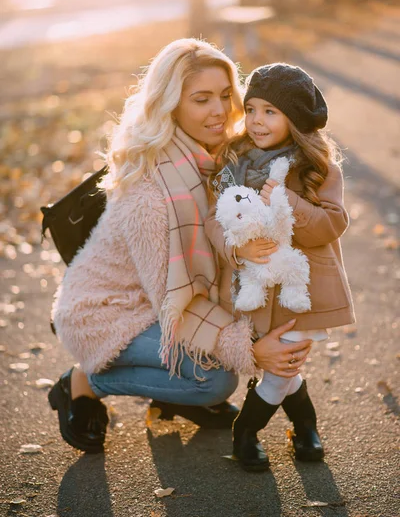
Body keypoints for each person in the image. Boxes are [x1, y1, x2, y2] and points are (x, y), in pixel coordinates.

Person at [48, 41, 313, 454]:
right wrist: (251, 350)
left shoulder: (218, 158)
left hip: (157, 302)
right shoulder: (150, 193)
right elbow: (176, 301)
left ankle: (171, 389)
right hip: (107, 313)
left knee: (217, 357)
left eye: (226, 95)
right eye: (201, 99)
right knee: (215, 379)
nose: (220, 111)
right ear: (171, 105)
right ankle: (85, 382)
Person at [205, 63, 355, 471]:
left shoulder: (320, 168)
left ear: (296, 119)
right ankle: (305, 426)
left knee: (282, 364)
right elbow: (212, 221)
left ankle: (245, 433)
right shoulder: (233, 163)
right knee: (285, 365)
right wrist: (238, 251)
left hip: (300, 289)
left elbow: (332, 224)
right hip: (252, 288)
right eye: (251, 109)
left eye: (270, 111)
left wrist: (287, 201)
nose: (256, 120)